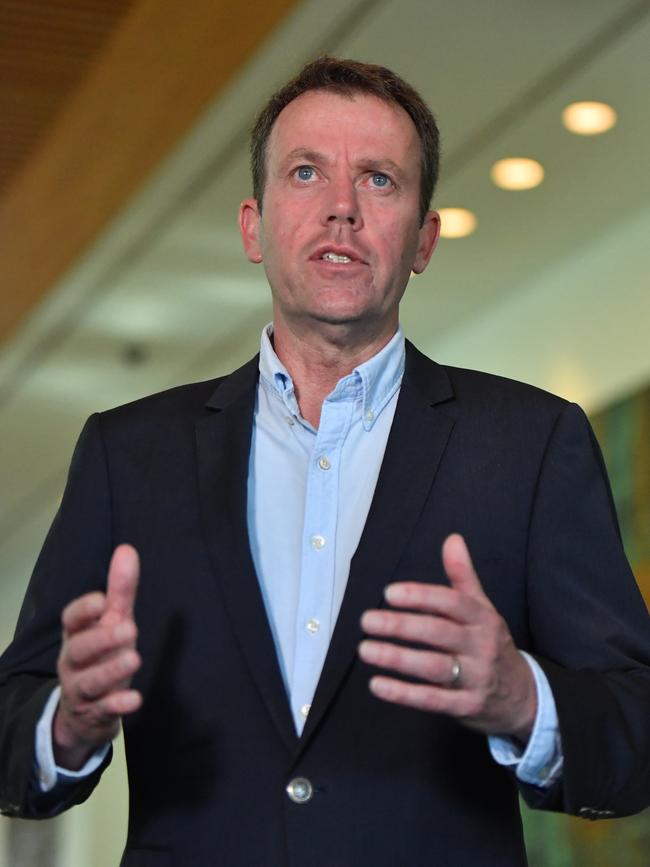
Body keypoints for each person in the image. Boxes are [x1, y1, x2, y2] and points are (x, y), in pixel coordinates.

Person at [1, 57, 649, 867]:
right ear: (253, 225)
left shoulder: (530, 443)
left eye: (379, 180)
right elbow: (11, 720)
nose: (341, 208)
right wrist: (67, 723)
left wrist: (525, 699)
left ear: (423, 238)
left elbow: (635, 726)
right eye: (306, 172)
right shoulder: (127, 453)